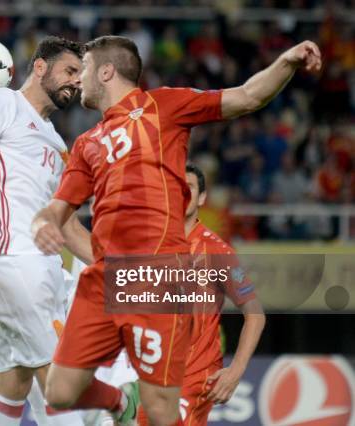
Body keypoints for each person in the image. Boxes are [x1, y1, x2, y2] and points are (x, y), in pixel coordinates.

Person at [32, 35, 321, 426]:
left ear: (106, 71)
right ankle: (120, 402)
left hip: (157, 272)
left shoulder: (163, 105)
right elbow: (59, 208)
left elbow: (248, 96)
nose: (78, 80)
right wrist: (43, 222)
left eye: (82, 69)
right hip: (107, 278)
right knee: (60, 392)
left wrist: (286, 62)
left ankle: (137, 401)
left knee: (164, 413)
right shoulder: (87, 143)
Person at [0, 35, 89, 425]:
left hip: (38, 273)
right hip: (7, 263)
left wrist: (116, 266)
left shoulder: (58, 144)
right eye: (70, 71)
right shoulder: (1, 103)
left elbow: (69, 226)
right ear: (40, 67)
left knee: (15, 381)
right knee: (59, 380)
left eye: (81, 75)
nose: (76, 82)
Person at [137, 164, 266, 425]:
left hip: (195, 375)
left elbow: (256, 315)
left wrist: (236, 372)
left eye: (190, 187)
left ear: (202, 198)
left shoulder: (217, 251)